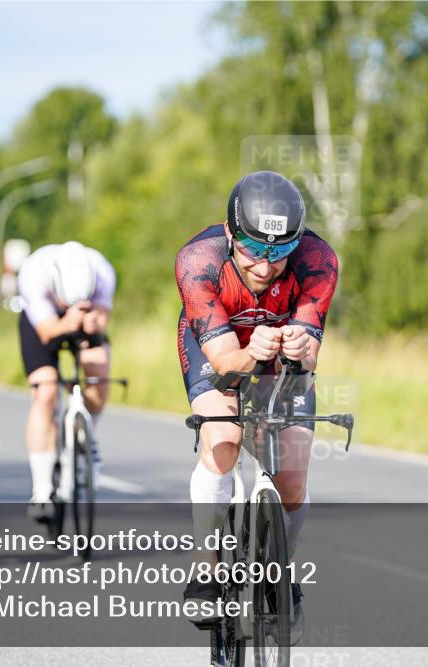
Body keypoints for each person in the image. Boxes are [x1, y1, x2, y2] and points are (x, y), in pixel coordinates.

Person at [175, 171, 339, 643]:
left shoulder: (318, 260)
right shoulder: (197, 261)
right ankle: (206, 569)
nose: (266, 266)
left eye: (279, 252)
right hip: (220, 345)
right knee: (223, 440)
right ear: (231, 234)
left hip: (278, 352)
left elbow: (309, 353)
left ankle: (282, 568)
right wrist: (253, 353)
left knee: (292, 474)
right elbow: (227, 364)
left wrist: (303, 349)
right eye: (253, 250)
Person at [16, 241, 116, 522]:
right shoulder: (34, 273)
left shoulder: (102, 272)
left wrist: (94, 322)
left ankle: (88, 436)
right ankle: (42, 490)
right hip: (42, 321)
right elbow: (47, 332)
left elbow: (104, 316)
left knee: (98, 370)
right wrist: (66, 321)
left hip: (86, 313)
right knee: (45, 391)